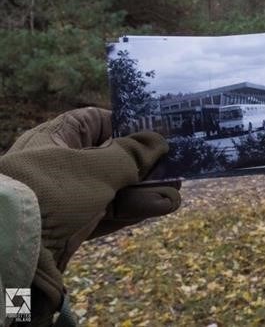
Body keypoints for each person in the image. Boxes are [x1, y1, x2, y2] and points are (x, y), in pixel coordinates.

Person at [0, 108, 181, 326]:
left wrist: (32, 258)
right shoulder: (15, 272)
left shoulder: (17, 283)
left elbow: (16, 310)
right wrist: (26, 222)